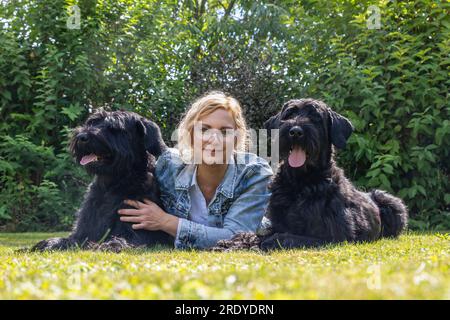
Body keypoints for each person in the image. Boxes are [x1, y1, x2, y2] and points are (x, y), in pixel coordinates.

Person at [118, 91, 273, 249]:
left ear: (236, 138)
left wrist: (165, 222)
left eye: (225, 132)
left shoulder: (254, 174)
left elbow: (236, 238)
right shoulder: (168, 167)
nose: (214, 140)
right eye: (204, 130)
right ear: (191, 134)